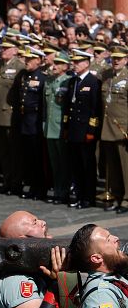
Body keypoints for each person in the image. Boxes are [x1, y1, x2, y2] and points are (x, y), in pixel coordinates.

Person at [69, 224, 128, 308]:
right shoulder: (101, 296)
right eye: (108, 239)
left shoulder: (116, 278)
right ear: (96, 258)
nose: (116, 238)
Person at [63, 49, 102, 209]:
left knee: (87, 166)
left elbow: (95, 109)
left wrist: (91, 131)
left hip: (85, 130)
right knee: (76, 165)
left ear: (86, 63)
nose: (75, 64)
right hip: (73, 129)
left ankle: (88, 197)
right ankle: (79, 196)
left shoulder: (93, 82)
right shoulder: (73, 81)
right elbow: (68, 106)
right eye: (74, 62)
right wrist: (66, 127)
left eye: (78, 62)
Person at [0, 37, 24, 195]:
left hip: (10, 115)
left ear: (15, 50)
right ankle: (7, 181)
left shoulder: (19, 66)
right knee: (3, 153)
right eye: (2, 48)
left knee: (14, 153)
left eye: (6, 48)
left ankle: (16, 183)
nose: (2, 50)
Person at [15, 46, 47, 200]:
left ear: (38, 60)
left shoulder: (42, 78)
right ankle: (32, 186)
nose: (26, 61)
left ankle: (40, 188)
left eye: (30, 59)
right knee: (28, 157)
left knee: (37, 158)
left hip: (35, 123)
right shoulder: (24, 75)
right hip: (25, 122)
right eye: (26, 58)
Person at [100, 45, 128, 214]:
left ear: (126, 59)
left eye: (119, 58)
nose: (116, 61)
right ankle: (116, 196)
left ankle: (126, 199)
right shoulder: (106, 75)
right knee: (113, 168)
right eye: (114, 58)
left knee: (126, 167)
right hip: (107, 128)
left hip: (123, 129)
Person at [43, 51, 72, 205]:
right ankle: (57, 190)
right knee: (55, 163)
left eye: (59, 63)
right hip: (49, 128)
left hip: (61, 127)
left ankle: (64, 192)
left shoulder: (68, 82)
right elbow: (45, 106)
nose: (54, 66)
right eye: (54, 63)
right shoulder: (49, 81)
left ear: (66, 67)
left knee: (64, 163)